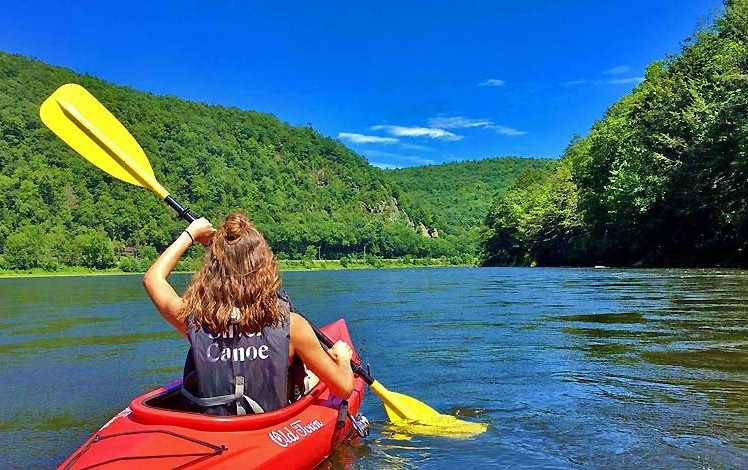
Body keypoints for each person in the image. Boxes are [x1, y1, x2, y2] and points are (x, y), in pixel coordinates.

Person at [143, 212, 354, 415]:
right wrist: (342, 358)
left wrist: (190, 233)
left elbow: (152, 279)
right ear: (264, 266)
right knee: (312, 375)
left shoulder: (194, 320)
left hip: (212, 427)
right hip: (267, 428)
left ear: (211, 270)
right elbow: (344, 389)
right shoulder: (293, 326)